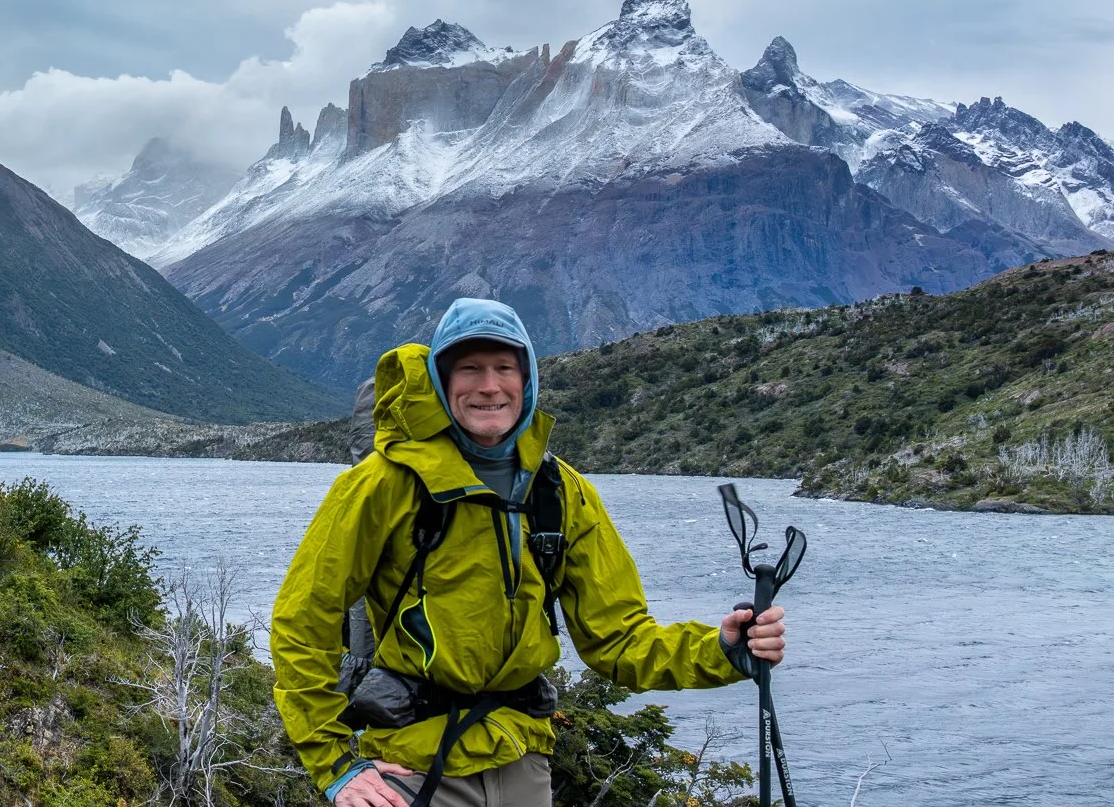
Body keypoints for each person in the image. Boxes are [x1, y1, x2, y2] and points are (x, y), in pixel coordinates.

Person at [270, 298, 788, 807]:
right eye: (469, 368)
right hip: (410, 767)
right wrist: (334, 762)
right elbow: (303, 621)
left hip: (522, 759)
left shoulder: (560, 492)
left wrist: (719, 649)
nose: (489, 386)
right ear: (442, 382)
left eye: (504, 367)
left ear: (528, 380)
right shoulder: (381, 485)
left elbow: (617, 638)